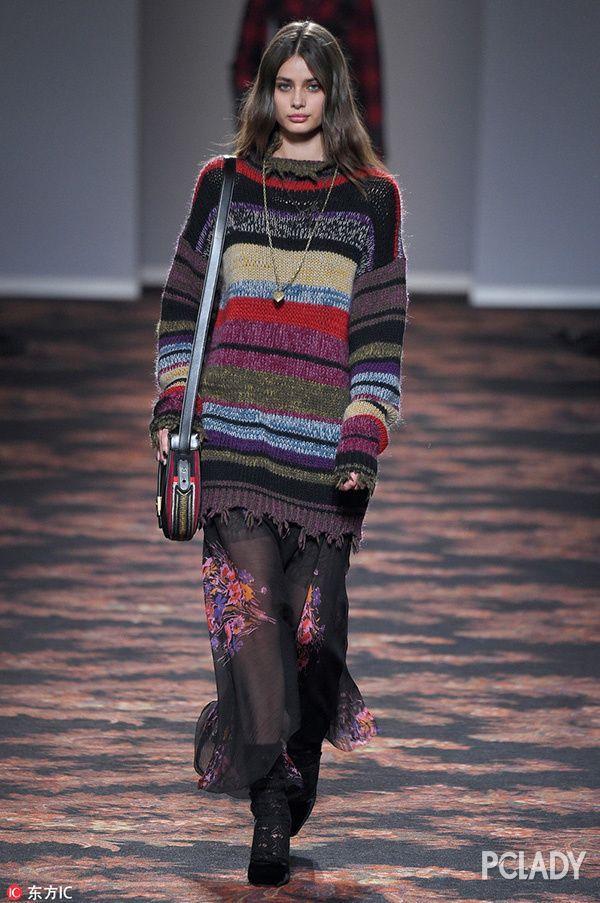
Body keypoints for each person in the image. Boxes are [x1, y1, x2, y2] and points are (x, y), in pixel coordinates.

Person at [148, 19, 410, 888]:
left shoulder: (371, 199)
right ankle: (268, 804)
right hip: (232, 446)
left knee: (311, 634)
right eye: (284, 85)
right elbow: (183, 304)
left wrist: (363, 435)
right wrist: (172, 405)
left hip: (324, 459)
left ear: (335, 95)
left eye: (313, 86)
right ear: (266, 92)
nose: (297, 101)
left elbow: (379, 334)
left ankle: (289, 757)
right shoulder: (224, 185)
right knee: (253, 619)